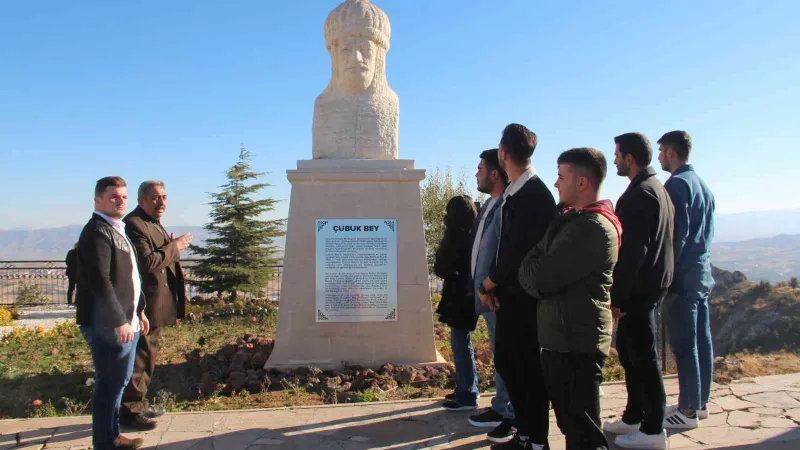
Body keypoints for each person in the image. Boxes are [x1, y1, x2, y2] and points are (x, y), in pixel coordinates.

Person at [519, 147, 622, 450]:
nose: (556, 184)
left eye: (561, 177)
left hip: (576, 343)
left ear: (582, 183)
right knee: (571, 425)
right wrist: (536, 260)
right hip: (563, 340)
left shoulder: (592, 227)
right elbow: (533, 262)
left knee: (582, 432)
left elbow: (537, 276)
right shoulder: (572, 221)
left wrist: (535, 263)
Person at [478, 124, 557, 450]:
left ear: (504, 154)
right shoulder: (517, 191)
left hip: (527, 299)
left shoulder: (534, 194)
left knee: (527, 371)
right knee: (511, 365)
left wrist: (489, 283)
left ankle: (536, 441)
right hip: (510, 298)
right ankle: (524, 434)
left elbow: (517, 250)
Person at [603, 133, 674, 450]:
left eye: (617, 154)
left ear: (629, 158)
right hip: (646, 289)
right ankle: (633, 416)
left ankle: (653, 429)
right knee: (632, 356)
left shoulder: (640, 195)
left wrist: (617, 298)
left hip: (638, 293)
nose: (615, 159)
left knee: (643, 359)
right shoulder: (654, 188)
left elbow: (633, 254)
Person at [75, 176, 148, 450]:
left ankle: (112, 436)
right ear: (98, 200)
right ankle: (105, 442)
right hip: (107, 325)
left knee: (118, 382)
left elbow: (129, 277)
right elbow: (99, 280)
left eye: (123, 196)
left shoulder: (116, 229)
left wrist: (138, 312)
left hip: (126, 321)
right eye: (114, 196)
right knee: (109, 384)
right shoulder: (96, 232)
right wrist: (118, 320)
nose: (121, 201)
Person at [120, 180, 192, 430]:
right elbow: (147, 263)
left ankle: (140, 404)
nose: (161, 202)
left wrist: (169, 246)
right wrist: (176, 246)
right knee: (140, 355)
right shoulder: (134, 224)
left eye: (164, 197)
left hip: (156, 305)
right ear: (141, 200)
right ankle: (129, 411)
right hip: (144, 305)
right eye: (154, 198)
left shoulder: (152, 222)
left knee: (148, 354)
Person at [657, 131, 715, 429]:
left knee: (683, 344)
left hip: (681, 276)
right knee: (702, 340)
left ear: (670, 152)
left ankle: (688, 410)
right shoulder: (703, 186)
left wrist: (663, 275)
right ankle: (700, 402)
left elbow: (674, 237)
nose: (658, 157)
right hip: (701, 273)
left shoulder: (676, 186)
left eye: (661, 151)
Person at [465, 149, 517, 444]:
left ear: (494, 174)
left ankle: (509, 411)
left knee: (508, 357)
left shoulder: (507, 206)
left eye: (480, 168)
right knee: (501, 356)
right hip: (484, 295)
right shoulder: (489, 205)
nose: (477, 174)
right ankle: (501, 406)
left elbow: (505, 253)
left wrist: (491, 286)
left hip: (497, 296)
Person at [434, 195, 479, 409]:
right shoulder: (475, 233)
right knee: (463, 343)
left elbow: (441, 267)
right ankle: (466, 389)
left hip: (459, 297)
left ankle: (467, 393)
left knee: (460, 344)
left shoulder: (456, 236)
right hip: (470, 296)